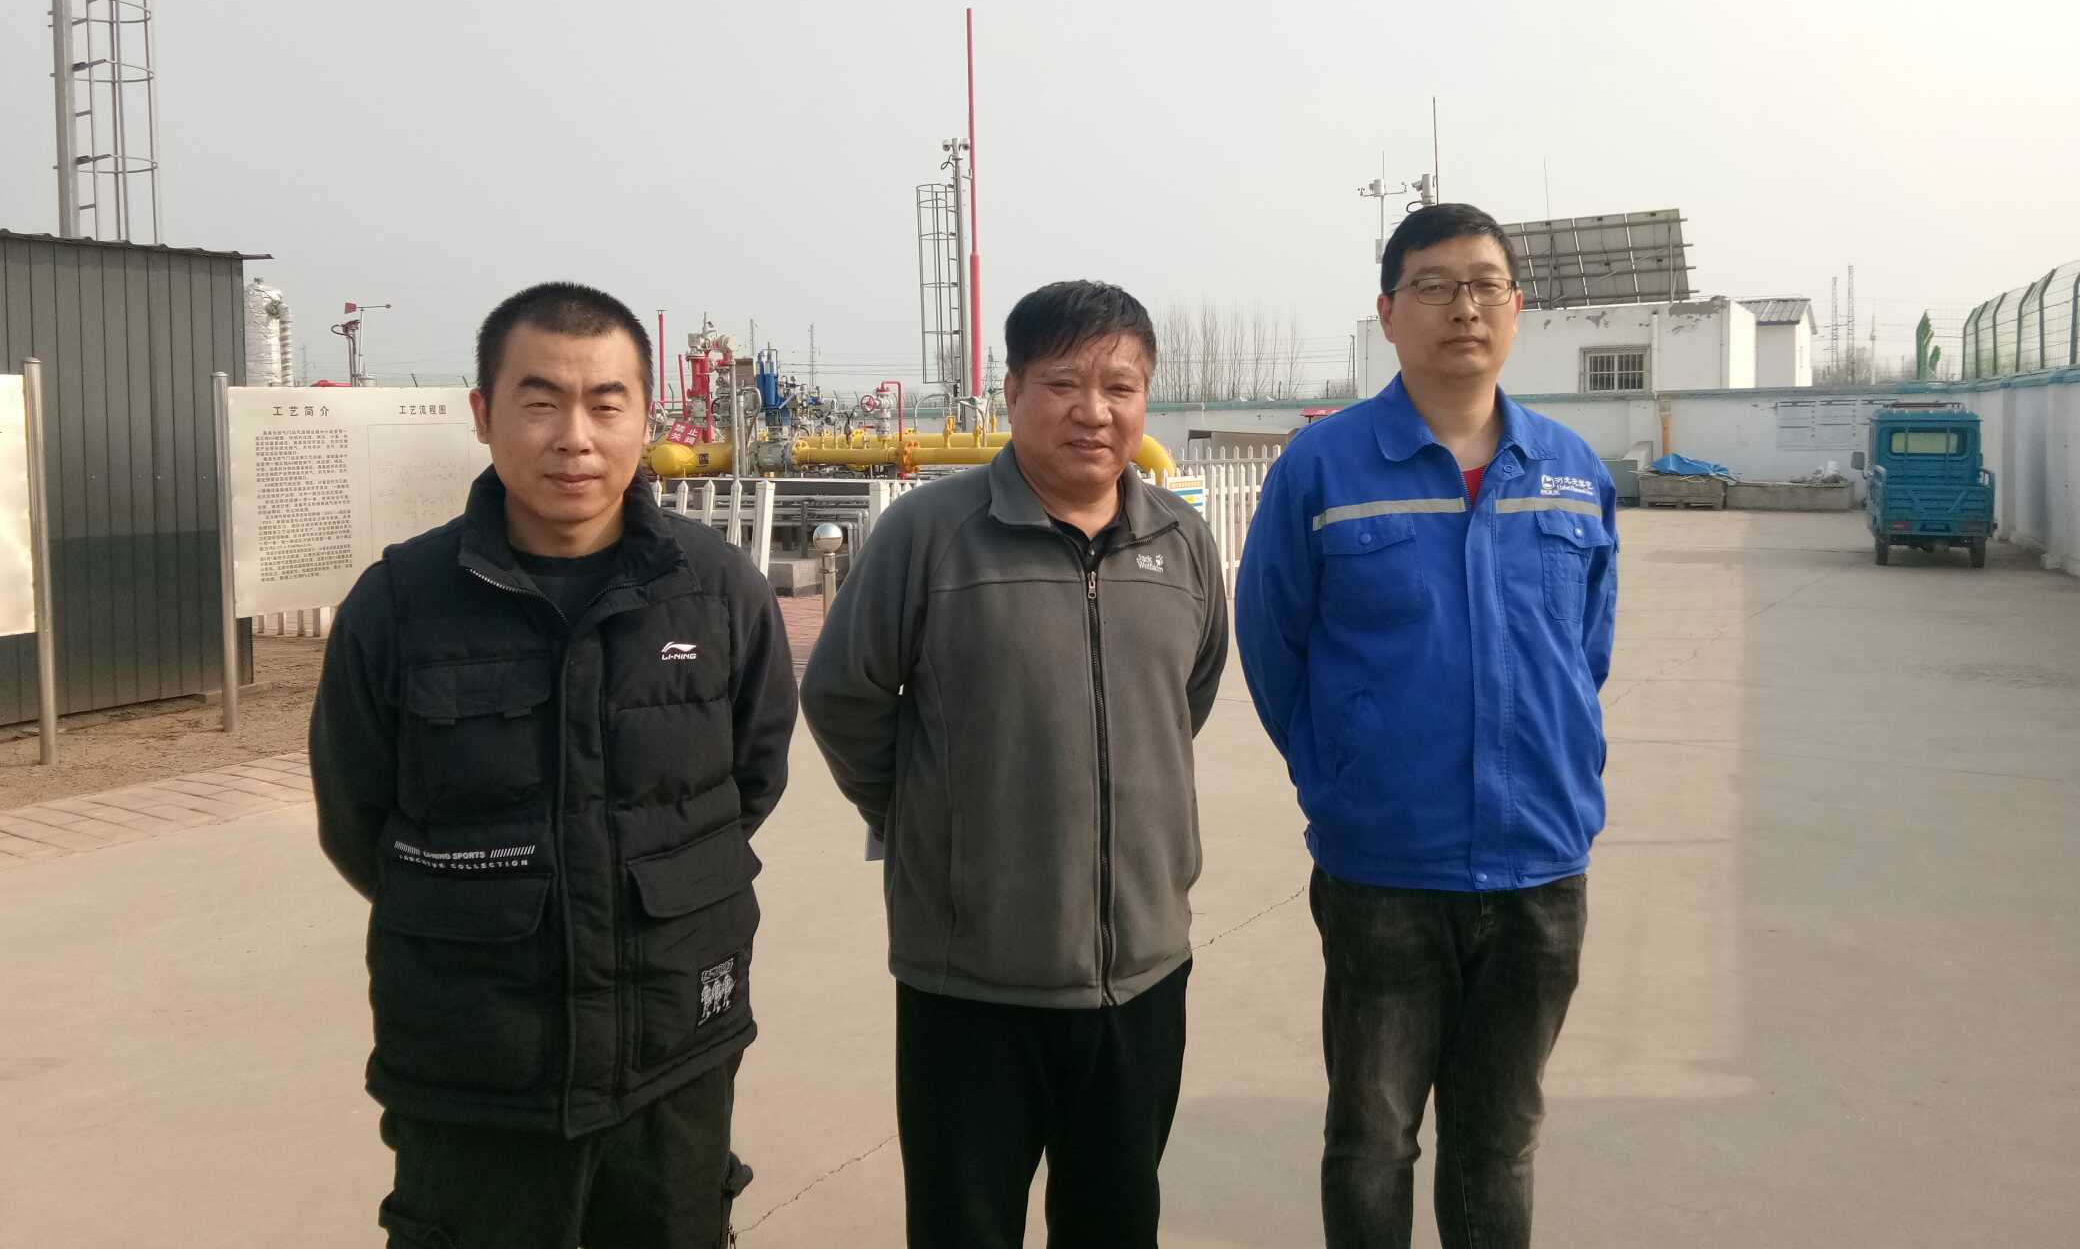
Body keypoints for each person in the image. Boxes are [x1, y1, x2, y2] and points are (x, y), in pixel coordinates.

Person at [309, 281, 796, 1249]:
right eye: (540, 402)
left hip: (671, 1052)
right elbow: (356, 819)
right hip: (476, 1071)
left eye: (606, 404)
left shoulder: (718, 593)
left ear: (646, 417)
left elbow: (752, 778)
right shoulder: (399, 605)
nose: (575, 437)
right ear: (483, 414)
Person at [800, 280, 1229, 1249]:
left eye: (1120, 387)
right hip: (970, 984)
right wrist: (927, 815)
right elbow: (843, 698)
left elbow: (1185, 700)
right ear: (1012, 391)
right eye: (1064, 383)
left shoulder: (1181, 542)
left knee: (1116, 1223)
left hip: (1142, 976)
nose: (1094, 411)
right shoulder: (930, 534)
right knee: (963, 1228)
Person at [1235, 204, 1618, 1249]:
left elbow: (1585, 651)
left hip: (1540, 867)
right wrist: (1341, 774)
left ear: (1516, 309)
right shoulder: (1322, 469)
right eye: (1435, 286)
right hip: (1384, 871)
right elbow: (1273, 645)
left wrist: (1558, 765)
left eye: (1485, 286)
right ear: (1388, 313)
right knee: (1372, 1139)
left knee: (1500, 1140)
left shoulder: (1572, 470)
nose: (1464, 308)